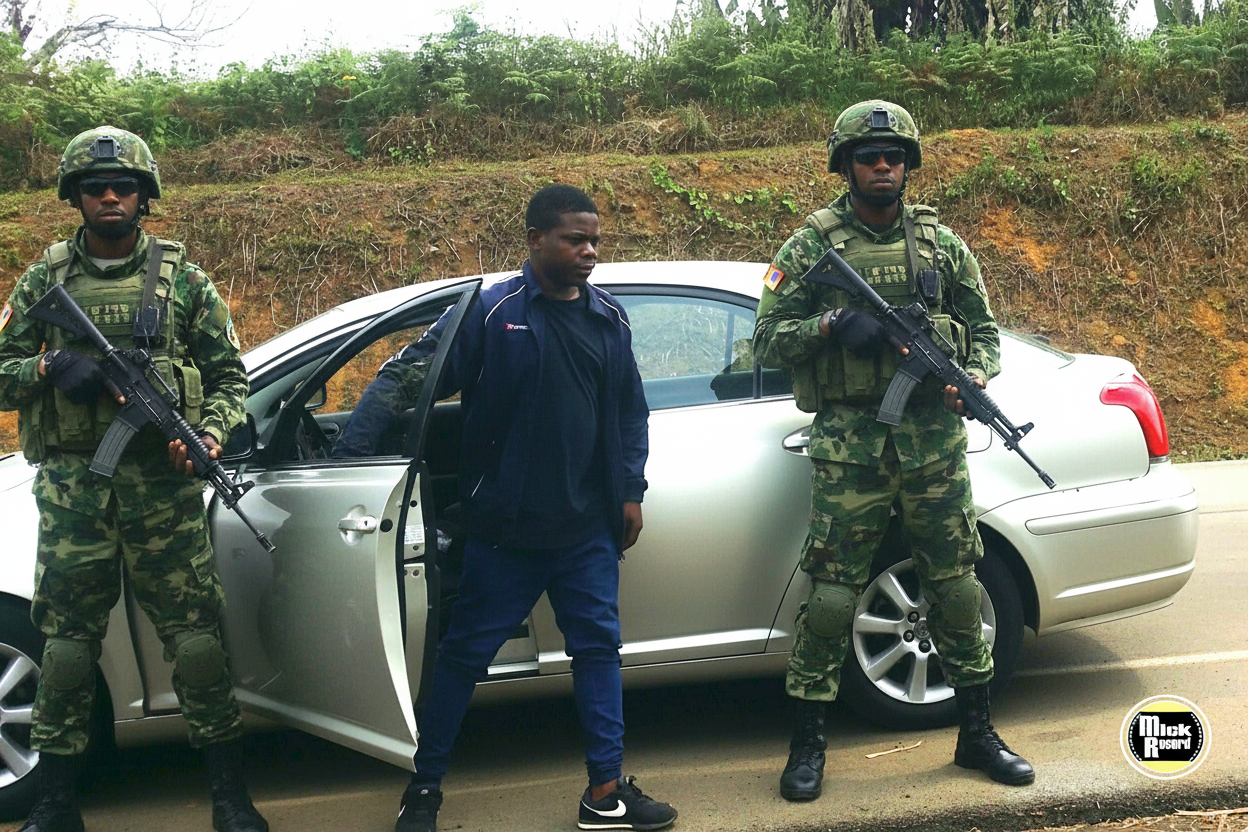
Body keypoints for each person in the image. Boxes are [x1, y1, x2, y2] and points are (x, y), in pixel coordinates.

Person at [335, 184, 676, 832]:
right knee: (462, 658)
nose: (589, 251)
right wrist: (353, 455)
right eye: (575, 239)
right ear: (535, 240)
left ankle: (605, 793)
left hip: (586, 531)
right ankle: (424, 789)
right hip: (505, 534)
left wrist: (630, 490)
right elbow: (405, 377)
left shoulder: (610, 318)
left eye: (594, 240)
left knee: (598, 654)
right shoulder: (491, 314)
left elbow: (630, 413)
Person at [753, 100, 1035, 801]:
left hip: (933, 447)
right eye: (869, 157)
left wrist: (973, 377)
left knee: (957, 588)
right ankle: (808, 745)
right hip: (851, 450)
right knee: (831, 596)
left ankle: (977, 733)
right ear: (845, 165)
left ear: (909, 165)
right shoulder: (809, 246)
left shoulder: (942, 246)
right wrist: (830, 324)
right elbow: (765, 340)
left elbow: (984, 331)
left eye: (895, 157)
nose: (883, 167)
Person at [0, 127, 266, 832]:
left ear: (145, 196)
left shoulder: (186, 281)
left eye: (124, 186)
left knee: (196, 639)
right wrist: (50, 367)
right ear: (76, 197)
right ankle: (56, 802)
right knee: (66, 644)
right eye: (95, 187)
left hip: (163, 494)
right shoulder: (44, 281)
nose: (110, 196)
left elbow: (229, 377)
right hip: (73, 494)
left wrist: (209, 436)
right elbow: (0, 374)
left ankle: (229, 795)